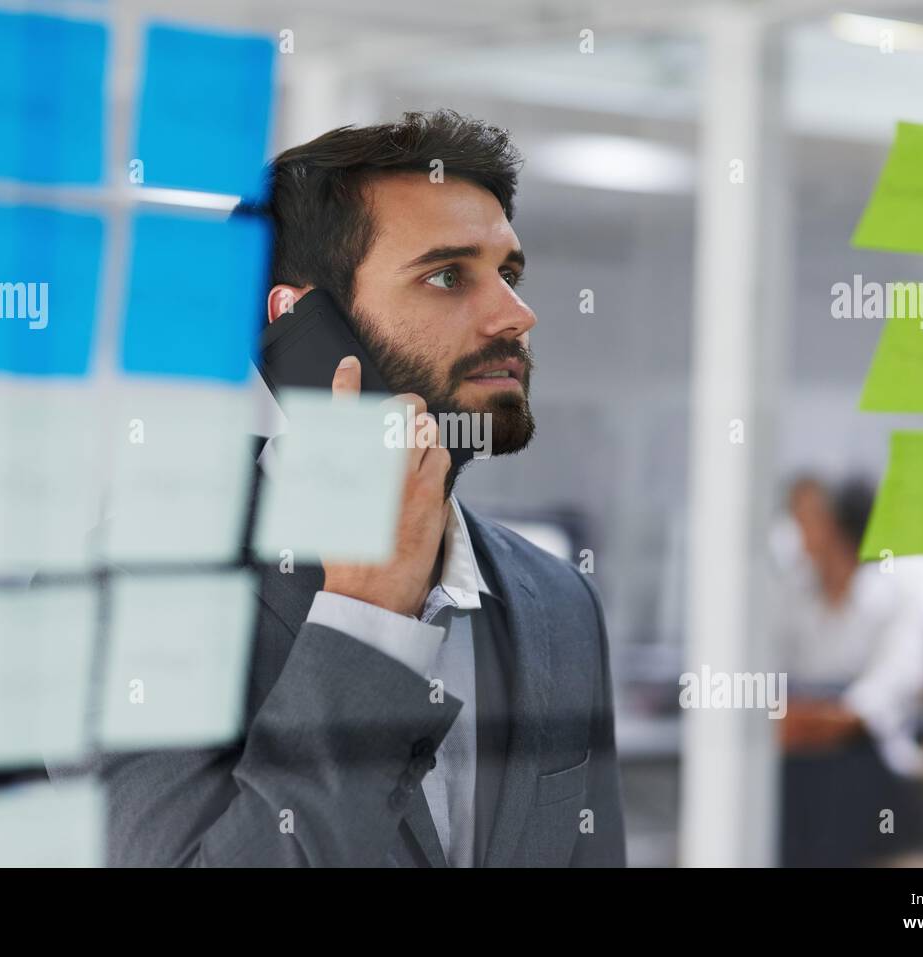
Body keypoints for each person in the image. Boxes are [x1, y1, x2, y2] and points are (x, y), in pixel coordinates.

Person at [88, 110, 626, 867]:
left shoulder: (560, 604)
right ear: (303, 323)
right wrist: (365, 621)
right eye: (448, 275)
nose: (518, 314)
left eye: (508, 273)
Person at [772, 477, 923, 866]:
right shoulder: (793, 596)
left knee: (831, 786)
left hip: (864, 763)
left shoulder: (895, 597)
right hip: (799, 755)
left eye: (808, 517)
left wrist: (818, 718)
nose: (796, 529)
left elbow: (882, 696)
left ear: (837, 526)